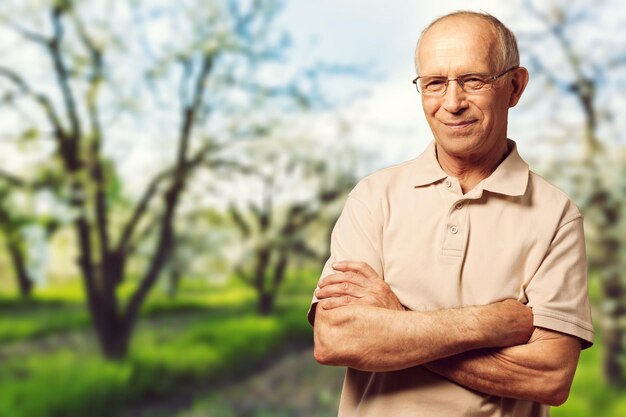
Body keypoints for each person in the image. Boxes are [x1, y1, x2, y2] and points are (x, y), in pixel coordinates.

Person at [308, 10, 594, 417]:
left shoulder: (556, 216)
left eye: (473, 80)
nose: (452, 103)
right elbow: (335, 339)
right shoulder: (373, 198)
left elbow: (549, 378)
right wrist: (491, 323)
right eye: (435, 84)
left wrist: (395, 323)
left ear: (515, 86)